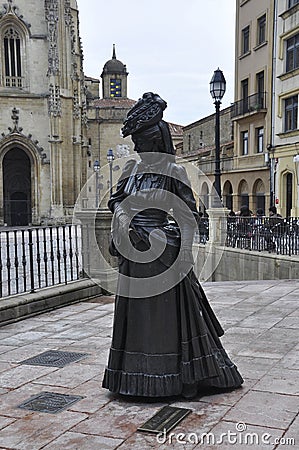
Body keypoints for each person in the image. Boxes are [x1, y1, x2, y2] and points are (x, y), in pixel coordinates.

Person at [102, 92, 243, 399]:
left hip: (163, 255)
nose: (137, 147)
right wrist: (125, 220)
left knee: (168, 322)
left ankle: (180, 377)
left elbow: (189, 214)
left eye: (141, 141)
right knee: (138, 322)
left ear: (154, 140)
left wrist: (166, 241)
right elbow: (116, 201)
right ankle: (133, 378)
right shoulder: (130, 171)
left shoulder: (174, 171)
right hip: (134, 256)